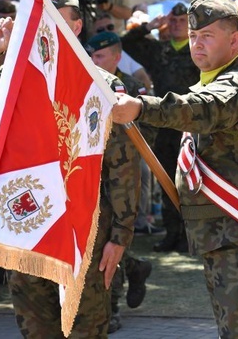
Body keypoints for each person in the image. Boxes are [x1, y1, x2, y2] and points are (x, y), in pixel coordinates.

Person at [0, 0, 140, 338]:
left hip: (86, 230)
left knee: (85, 329)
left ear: (76, 27)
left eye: (53, 20)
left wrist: (120, 236)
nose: (42, 29)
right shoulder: (15, 83)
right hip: (28, 223)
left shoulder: (102, 88)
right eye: (35, 20)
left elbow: (123, 169)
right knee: (36, 329)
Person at [112, 0, 238, 338]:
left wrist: (141, 107)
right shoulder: (214, 81)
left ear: (234, 39)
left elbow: (200, 109)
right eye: (193, 36)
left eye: (207, 36)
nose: (197, 44)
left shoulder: (237, 87)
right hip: (224, 237)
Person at [84, 31, 155, 333]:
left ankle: (111, 309)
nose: (93, 61)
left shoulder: (133, 88)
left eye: (99, 56)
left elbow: (147, 133)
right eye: (91, 56)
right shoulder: (85, 84)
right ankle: (135, 267)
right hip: (90, 175)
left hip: (121, 176)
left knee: (114, 239)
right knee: (101, 243)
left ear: (116, 57)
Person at [121, 3, 199, 253]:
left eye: (181, 20)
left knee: (190, 181)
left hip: (190, 123)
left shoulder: (197, 50)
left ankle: (190, 236)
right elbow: (127, 43)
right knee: (166, 178)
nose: (176, 24)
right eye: (173, 20)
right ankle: (171, 233)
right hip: (164, 123)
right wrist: (150, 26)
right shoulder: (159, 49)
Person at [93, 12, 152, 91]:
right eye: (100, 30)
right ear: (93, 33)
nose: (106, 31)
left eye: (110, 27)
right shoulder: (88, 55)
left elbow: (144, 79)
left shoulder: (125, 50)